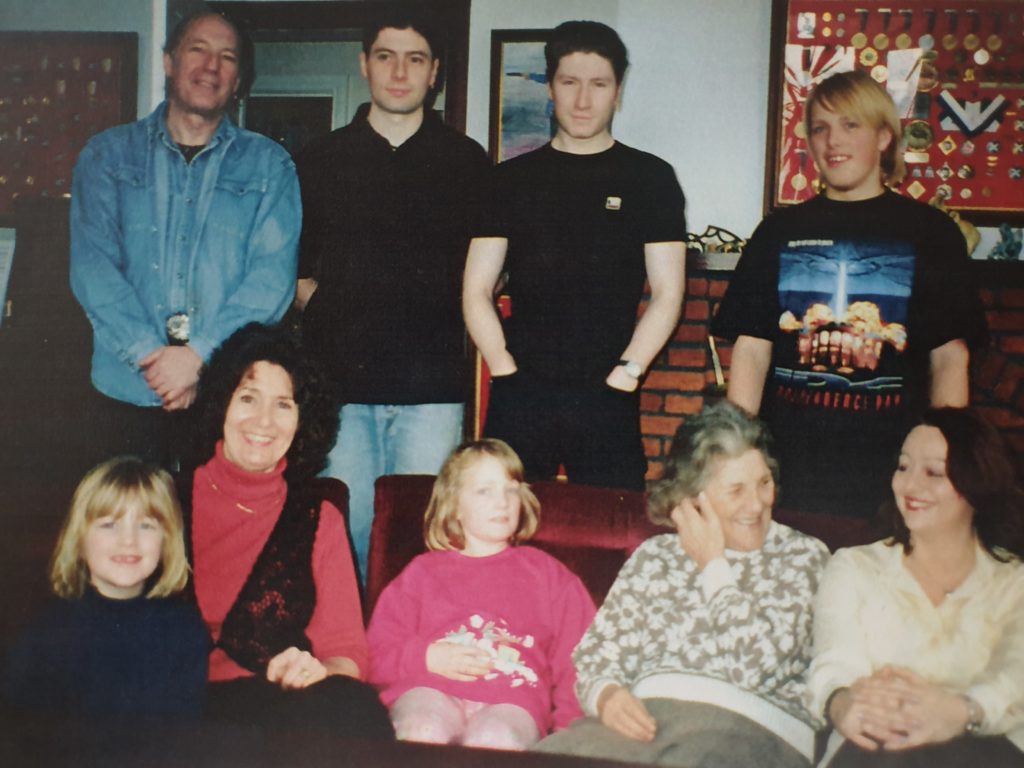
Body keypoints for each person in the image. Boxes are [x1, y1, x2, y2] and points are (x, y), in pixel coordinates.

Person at [711, 70, 987, 521]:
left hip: (892, 480)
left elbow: (949, 358)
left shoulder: (932, 234)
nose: (831, 141)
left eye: (850, 125)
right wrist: (735, 455)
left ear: (883, 136)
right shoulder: (778, 231)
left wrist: (941, 464)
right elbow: (752, 352)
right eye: (820, 128)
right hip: (787, 475)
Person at [295, 5, 491, 582]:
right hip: (341, 392)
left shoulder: (466, 162)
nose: (399, 72)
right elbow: (294, 272)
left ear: (436, 73)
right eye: (386, 56)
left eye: (415, 59)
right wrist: (336, 312)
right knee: (346, 535)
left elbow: (490, 271)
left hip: (432, 393)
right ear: (364, 65)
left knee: (422, 536)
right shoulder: (320, 160)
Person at [535, 401, 830, 767]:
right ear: (692, 498)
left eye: (764, 483)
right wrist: (606, 695)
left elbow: (754, 668)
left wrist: (713, 565)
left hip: (751, 729)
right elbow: (597, 656)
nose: (756, 505)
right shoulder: (655, 556)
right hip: (647, 728)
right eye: (736, 490)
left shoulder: (802, 556)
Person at [70, 6, 300, 470]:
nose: (211, 66)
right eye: (198, 50)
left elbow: (271, 281)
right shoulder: (106, 157)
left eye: (227, 56)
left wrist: (198, 357)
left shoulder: (270, 167)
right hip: (124, 391)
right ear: (170, 62)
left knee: (214, 539)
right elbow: (92, 268)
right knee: (128, 534)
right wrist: (154, 359)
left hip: (224, 397)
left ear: (239, 81)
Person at [463, 20, 687, 492]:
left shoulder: (651, 178)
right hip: (521, 392)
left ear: (617, 91)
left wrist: (627, 375)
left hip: (609, 394)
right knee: (506, 527)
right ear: (551, 87)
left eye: (598, 84)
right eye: (569, 83)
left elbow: (668, 293)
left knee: (611, 532)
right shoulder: (508, 180)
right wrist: (505, 370)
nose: (583, 100)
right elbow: (476, 290)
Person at [182, 323, 392, 739]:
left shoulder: (319, 517)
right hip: (177, 711)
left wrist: (314, 670)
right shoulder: (165, 501)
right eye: (247, 398)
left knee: (357, 710)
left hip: (275, 710)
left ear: (302, 420)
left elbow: (347, 655)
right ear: (221, 404)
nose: (263, 421)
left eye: (283, 404)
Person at [808, 408, 1024, 766]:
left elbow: (1017, 674)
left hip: (987, 749)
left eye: (934, 472)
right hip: (875, 749)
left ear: (976, 482)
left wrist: (959, 711)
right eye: (903, 466)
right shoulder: (855, 567)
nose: (910, 486)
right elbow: (834, 664)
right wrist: (843, 703)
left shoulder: (1014, 581)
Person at [366, 439, 596, 750]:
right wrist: (425, 657)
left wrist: (571, 735)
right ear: (455, 506)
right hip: (429, 688)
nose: (502, 502)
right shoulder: (421, 573)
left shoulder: (549, 576)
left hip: (512, 701)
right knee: (422, 727)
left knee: (494, 740)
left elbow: (582, 660)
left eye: (511, 489)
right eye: (484, 490)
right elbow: (374, 652)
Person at [3, 456, 208, 718]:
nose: (128, 541)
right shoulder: (44, 634)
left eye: (146, 525)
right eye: (109, 525)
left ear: (167, 540)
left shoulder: (184, 629)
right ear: (79, 538)